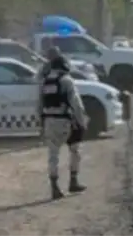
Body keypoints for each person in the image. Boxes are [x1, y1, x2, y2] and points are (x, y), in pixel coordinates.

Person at [39, 54, 88, 199]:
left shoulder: (44, 82)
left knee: (53, 155)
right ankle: (73, 181)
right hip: (65, 121)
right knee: (75, 150)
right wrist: (82, 122)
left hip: (49, 121)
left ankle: (54, 187)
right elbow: (76, 104)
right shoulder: (66, 80)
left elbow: (39, 105)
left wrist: (42, 123)